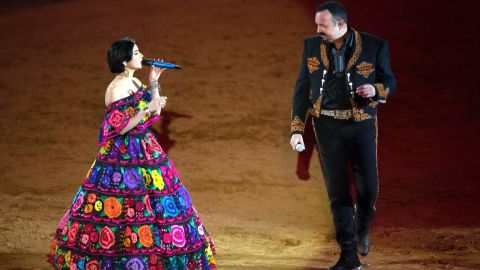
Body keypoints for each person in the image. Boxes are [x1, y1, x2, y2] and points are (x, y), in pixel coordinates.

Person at [47, 37, 216, 270]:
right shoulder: (115, 89)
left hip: (145, 146)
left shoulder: (135, 81)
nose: (141, 56)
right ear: (125, 61)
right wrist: (146, 108)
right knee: (122, 207)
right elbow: (120, 127)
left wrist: (154, 81)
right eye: (136, 53)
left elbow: (153, 110)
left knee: (157, 199)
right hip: (122, 153)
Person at [289, 1, 396, 269]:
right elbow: (302, 89)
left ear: (340, 24)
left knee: (368, 187)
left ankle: (362, 226)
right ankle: (348, 256)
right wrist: (296, 129)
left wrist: (375, 90)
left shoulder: (374, 45)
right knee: (337, 192)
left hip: (360, 125)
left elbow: (390, 82)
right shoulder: (311, 46)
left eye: (322, 25)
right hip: (326, 127)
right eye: (317, 24)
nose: (318, 30)